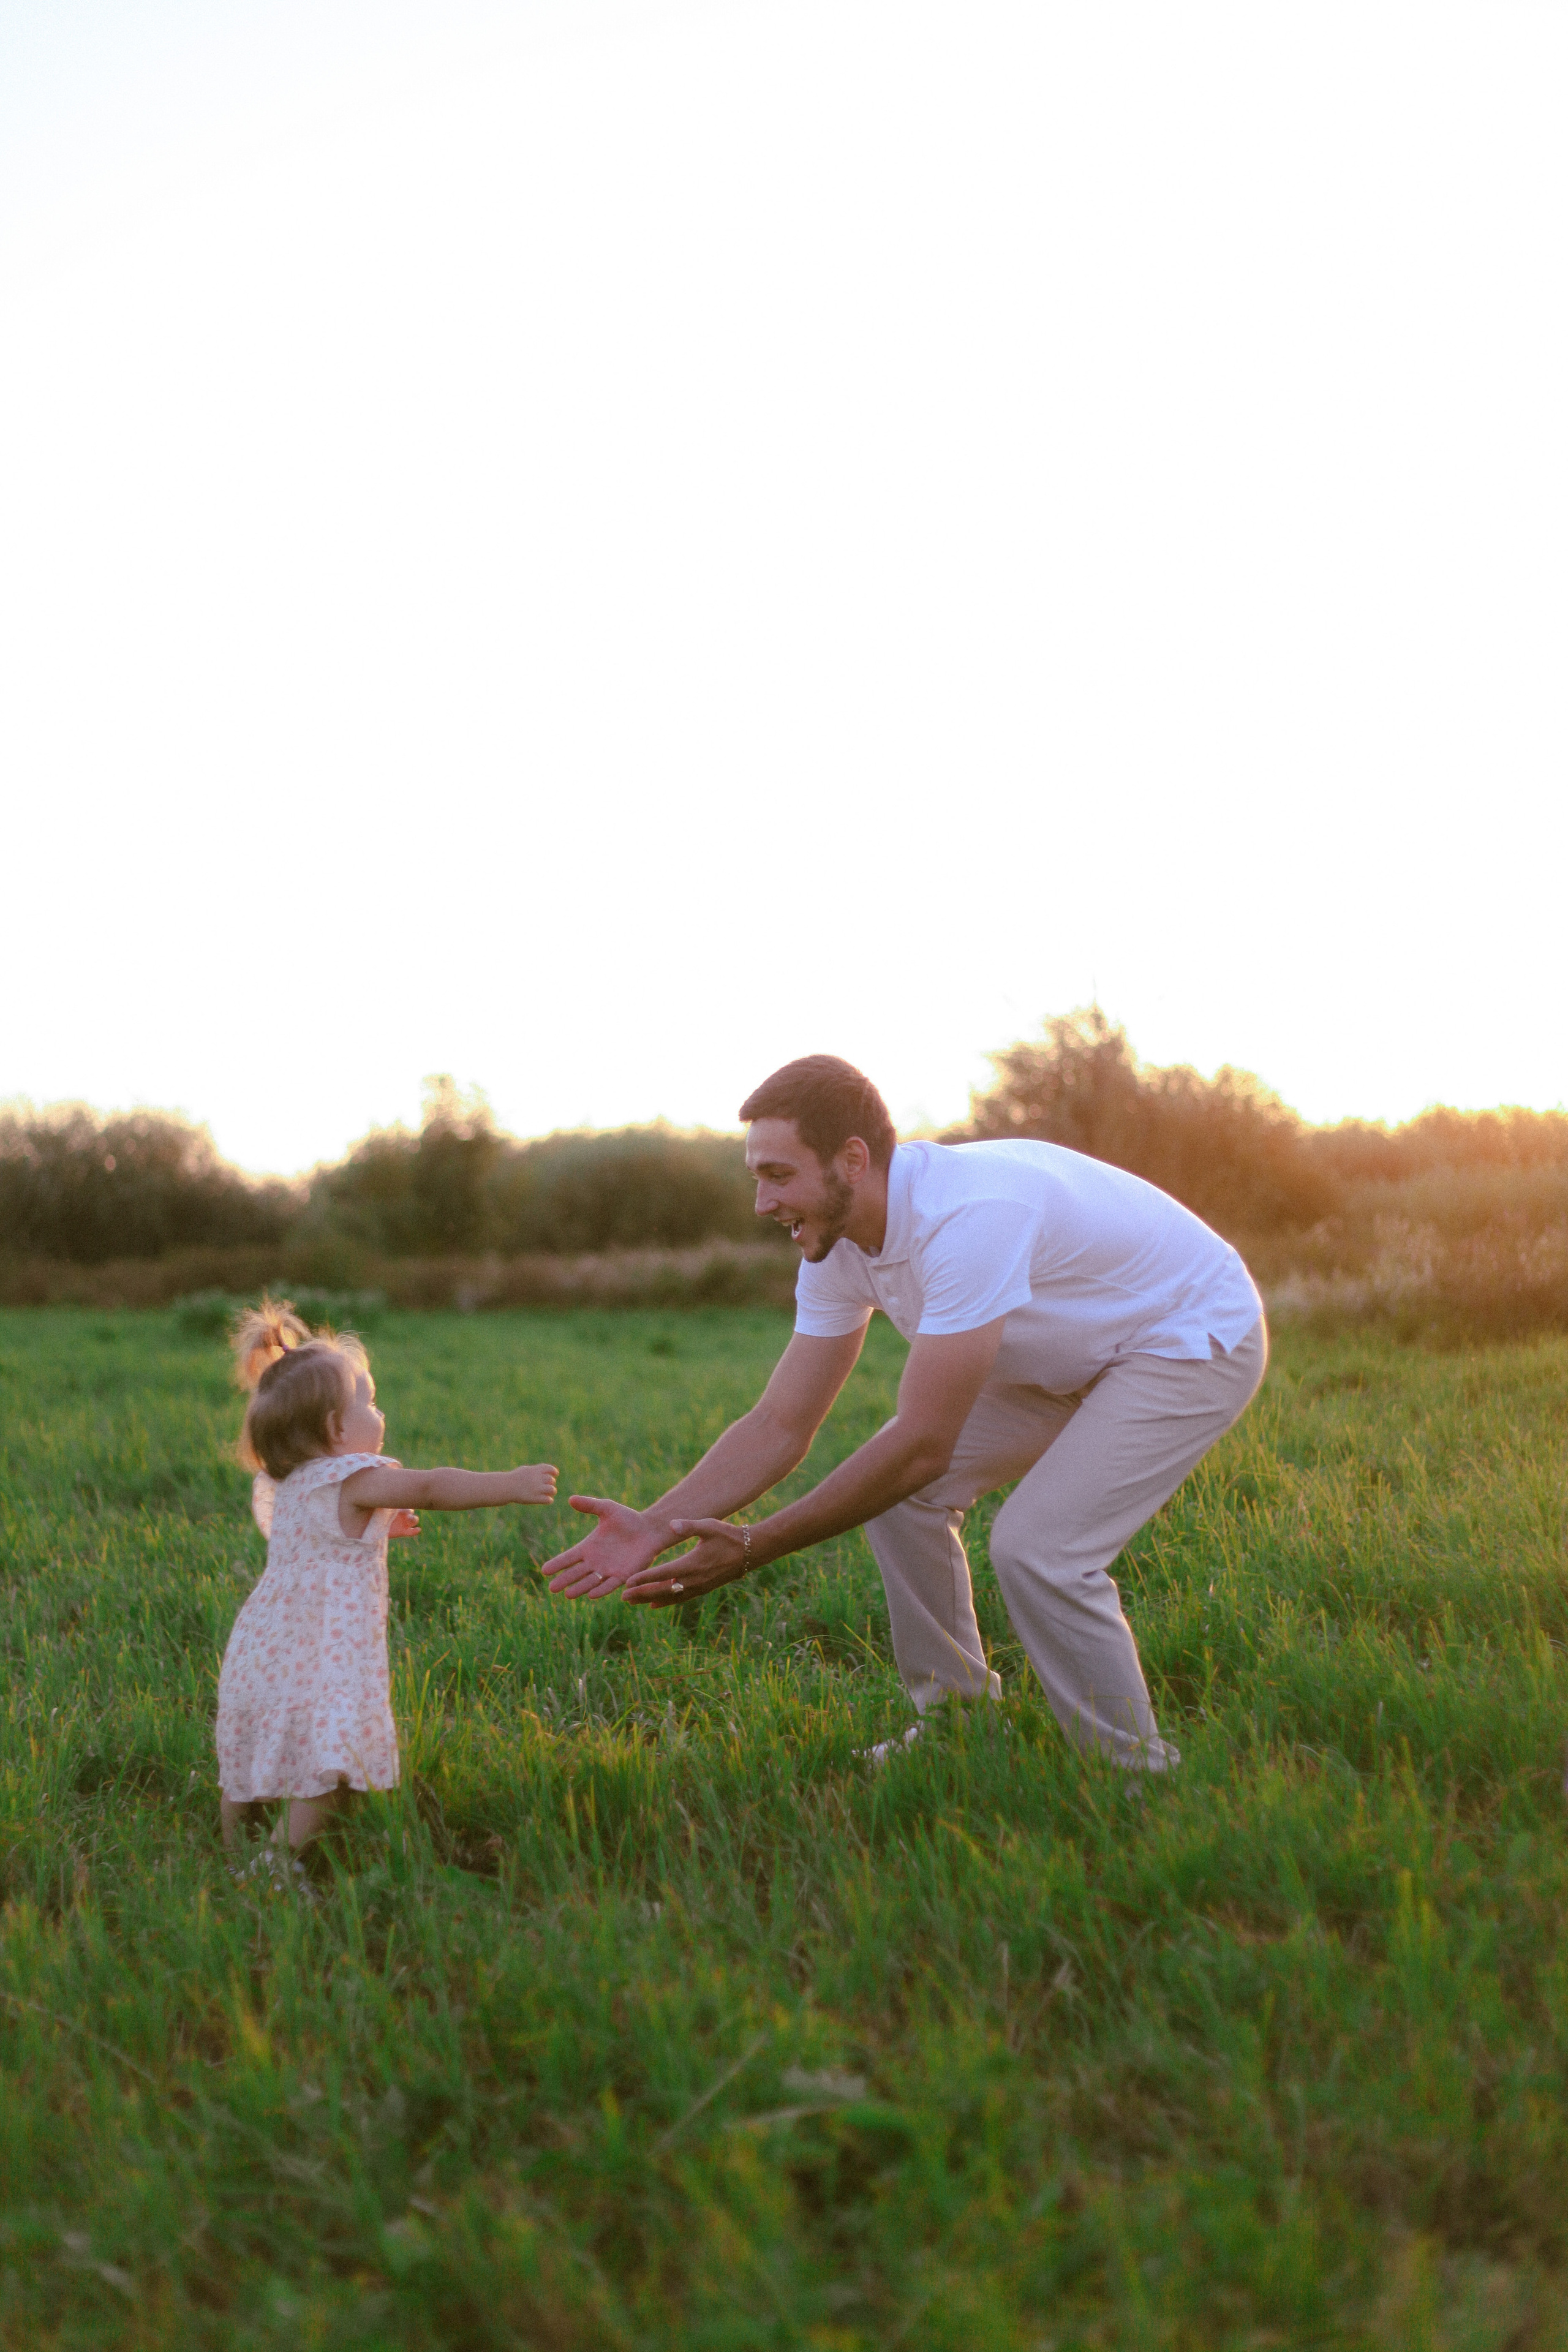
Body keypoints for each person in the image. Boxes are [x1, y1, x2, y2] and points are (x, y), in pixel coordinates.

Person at [543, 1056, 1265, 1769]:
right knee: (898, 1498)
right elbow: (779, 1424)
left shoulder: (968, 1218)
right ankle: (958, 1724)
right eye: (756, 1177)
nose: (762, 1204)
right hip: (1064, 1360)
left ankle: (1133, 1774)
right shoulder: (834, 1248)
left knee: (1037, 1548)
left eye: (777, 1176)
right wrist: (655, 1525)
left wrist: (756, 1545)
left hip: (1187, 1337)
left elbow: (924, 1443)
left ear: (851, 1160)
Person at [219, 1299, 557, 1879]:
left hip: (261, 1650)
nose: (380, 1412)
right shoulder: (353, 1476)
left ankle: (230, 1852)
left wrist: (381, 1522)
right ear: (335, 1428)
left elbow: (322, 1538)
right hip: (321, 1657)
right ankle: (272, 1869)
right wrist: (511, 1483)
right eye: (369, 1402)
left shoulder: (290, 1484)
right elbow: (429, 1486)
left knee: (252, 1749)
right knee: (331, 1772)